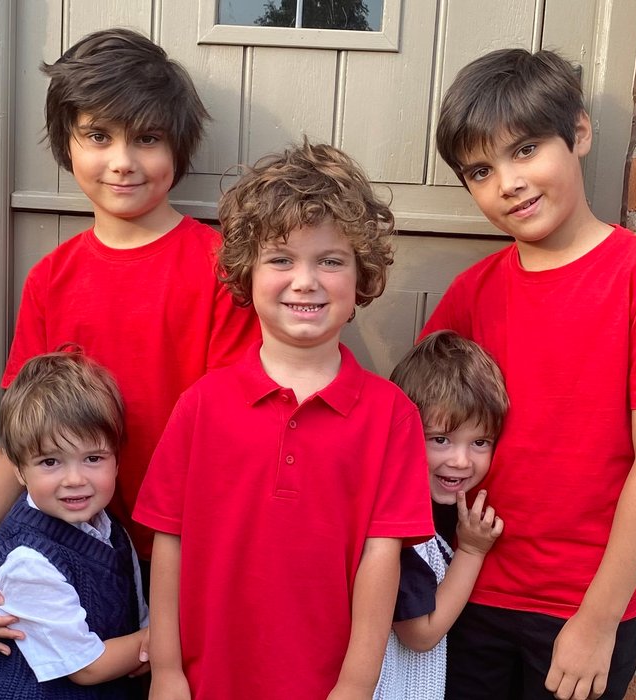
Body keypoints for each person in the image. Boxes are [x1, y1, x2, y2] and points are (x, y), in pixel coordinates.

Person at [422, 48, 636, 700]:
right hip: (471, 591)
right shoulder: (472, 294)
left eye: (526, 149)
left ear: (579, 133)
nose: (508, 182)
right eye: (481, 170)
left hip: (582, 605)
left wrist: (598, 618)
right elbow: (414, 430)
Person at [0, 28, 260, 654]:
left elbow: (235, 439)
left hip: (185, 554)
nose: (122, 161)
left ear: (178, 145)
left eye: (146, 138)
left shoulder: (221, 270)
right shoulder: (51, 280)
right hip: (69, 554)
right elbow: (25, 436)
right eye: (98, 136)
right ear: (66, 142)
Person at [133, 140, 435, 699]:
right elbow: (168, 543)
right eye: (281, 259)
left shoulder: (391, 415)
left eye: (330, 260)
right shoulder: (201, 405)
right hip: (207, 681)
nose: (305, 280)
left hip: (325, 685)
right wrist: (168, 672)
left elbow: (382, 559)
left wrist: (355, 686)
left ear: (361, 275)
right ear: (246, 272)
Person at [0, 349, 149, 698]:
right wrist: (163, 642)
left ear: (117, 460)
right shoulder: (26, 561)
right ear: (19, 470)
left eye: (93, 458)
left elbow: (136, 618)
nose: (75, 479)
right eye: (50, 462)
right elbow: (87, 666)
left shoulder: (113, 532)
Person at [374, 330, 508, 700]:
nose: (461, 461)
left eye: (479, 442)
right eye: (440, 439)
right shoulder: (399, 527)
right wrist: (472, 551)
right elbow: (421, 634)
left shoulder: (444, 507)